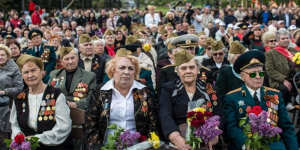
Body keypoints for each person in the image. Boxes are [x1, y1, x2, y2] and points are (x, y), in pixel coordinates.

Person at [224, 50, 298, 150]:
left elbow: (286, 127)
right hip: (247, 144)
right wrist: (245, 144)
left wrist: (294, 148)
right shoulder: (232, 98)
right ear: (242, 77)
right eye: (253, 74)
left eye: (261, 73)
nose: (258, 77)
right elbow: (231, 128)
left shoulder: (274, 95)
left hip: (273, 143)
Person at [85, 51, 158, 149]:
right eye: (122, 68)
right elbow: (90, 125)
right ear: (113, 70)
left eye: (131, 68)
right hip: (106, 146)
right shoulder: (100, 92)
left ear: (135, 73)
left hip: (139, 146)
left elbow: (153, 125)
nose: (126, 72)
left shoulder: (145, 92)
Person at [159, 49, 219, 150]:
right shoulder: (168, 89)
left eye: (192, 67)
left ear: (198, 70)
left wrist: (215, 131)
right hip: (178, 140)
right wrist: (175, 137)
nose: (188, 71)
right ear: (177, 72)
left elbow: (219, 112)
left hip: (207, 140)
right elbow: (165, 115)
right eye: (183, 68)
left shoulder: (210, 89)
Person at [10, 54, 72, 149]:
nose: (30, 75)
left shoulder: (56, 95)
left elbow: (63, 127)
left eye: (33, 70)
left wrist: (36, 139)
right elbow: (14, 124)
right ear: (21, 75)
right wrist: (20, 139)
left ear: (42, 72)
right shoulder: (19, 97)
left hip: (53, 146)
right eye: (26, 72)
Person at [49, 46, 96, 110]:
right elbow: (48, 94)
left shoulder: (89, 76)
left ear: (78, 58)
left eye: (72, 58)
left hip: (80, 112)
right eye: (67, 59)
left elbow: (91, 98)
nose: (70, 62)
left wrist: (76, 104)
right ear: (61, 61)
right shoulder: (54, 75)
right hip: (58, 110)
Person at [265, 29, 296, 109]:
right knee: (285, 88)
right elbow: (270, 70)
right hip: (278, 81)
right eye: (283, 38)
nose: (286, 40)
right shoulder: (271, 53)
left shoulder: (293, 51)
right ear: (278, 40)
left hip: (294, 78)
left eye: (287, 38)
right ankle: (287, 105)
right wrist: (283, 80)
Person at [0, 45, 23, 149]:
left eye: (2, 55)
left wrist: (4, 92)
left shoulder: (13, 68)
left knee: (5, 136)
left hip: (7, 105)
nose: (0, 57)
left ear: (7, 56)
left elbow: (19, 87)